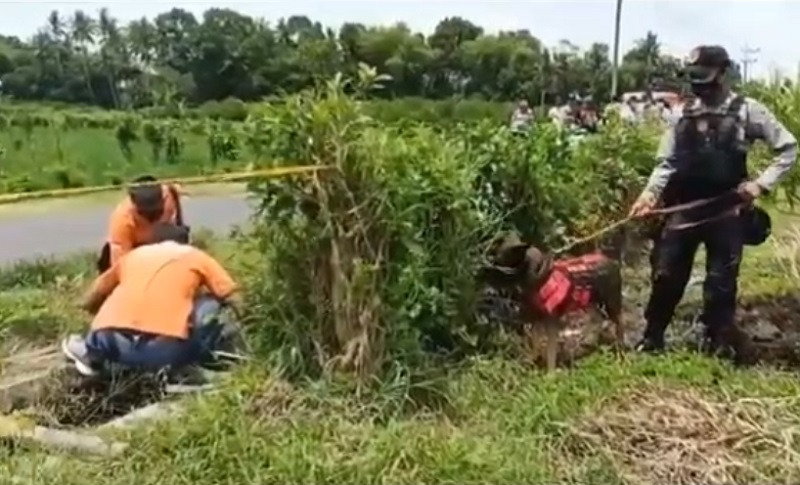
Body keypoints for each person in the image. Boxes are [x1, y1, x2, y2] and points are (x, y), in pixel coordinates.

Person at [629, 45, 797, 360]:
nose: (699, 84)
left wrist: (760, 185)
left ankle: (718, 339)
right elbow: (666, 163)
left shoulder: (749, 111)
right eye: (694, 77)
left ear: (723, 73)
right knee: (666, 274)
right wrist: (648, 195)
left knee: (722, 280)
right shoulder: (681, 113)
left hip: (728, 209)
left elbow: (788, 149)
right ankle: (652, 336)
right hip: (684, 208)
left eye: (704, 76)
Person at [62, 223, 241, 376]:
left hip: (111, 345)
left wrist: (87, 314)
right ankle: (196, 364)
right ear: (187, 242)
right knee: (210, 302)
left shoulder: (134, 256)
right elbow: (232, 295)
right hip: (166, 353)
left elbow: (94, 295)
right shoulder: (196, 256)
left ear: (151, 242)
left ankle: (91, 353)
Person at [96, 176, 185, 273]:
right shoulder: (122, 220)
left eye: (157, 212)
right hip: (134, 252)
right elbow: (120, 267)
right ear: (134, 205)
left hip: (160, 246)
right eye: (146, 214)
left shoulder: (169, 197)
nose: (152, 218)